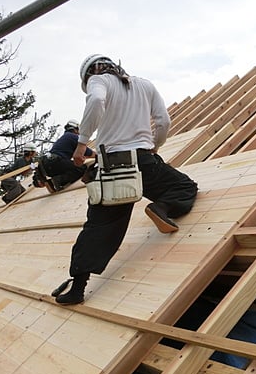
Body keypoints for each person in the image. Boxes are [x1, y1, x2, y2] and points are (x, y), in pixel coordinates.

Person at [53, 54, 198, 305]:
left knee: (99, 229)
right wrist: (155, 146)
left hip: (111, 167)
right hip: (143, 162)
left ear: (90, 74)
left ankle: (77, 288)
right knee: (184, 187)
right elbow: (164, 120)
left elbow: (97, 99)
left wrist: (82, 143)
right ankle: (162, 207)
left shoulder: (99, 81)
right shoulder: (144, 85)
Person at [33, 120, 95, 192]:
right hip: (55, 162)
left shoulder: (63, 138)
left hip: (46, 164)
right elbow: (87, 152)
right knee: (82, 168)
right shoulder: (73, 136)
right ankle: (58, 180)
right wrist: (99, 155)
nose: (78, 133)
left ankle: (53, 180)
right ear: (75, 129)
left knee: (70, 167)